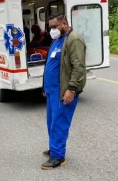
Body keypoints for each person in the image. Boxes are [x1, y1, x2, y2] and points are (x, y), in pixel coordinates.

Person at [41, 12, 86, 170]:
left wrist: (71, 89)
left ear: (64, 23)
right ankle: (54, 148)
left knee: (59, 123)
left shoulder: (73, 40)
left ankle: (58, 157)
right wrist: (45, 87)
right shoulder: (57, 39)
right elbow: (50, 64)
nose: (52, 30)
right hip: (52, 91)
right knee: (51, 122)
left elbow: (78, 67)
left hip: (63, 91)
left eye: (55, 26)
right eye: (50, 27)